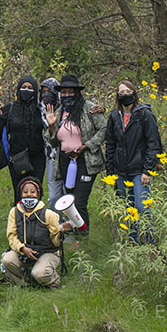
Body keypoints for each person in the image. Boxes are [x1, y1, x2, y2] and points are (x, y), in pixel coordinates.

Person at [44, 74, 107, 236]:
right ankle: (72, 234)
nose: (66, 95)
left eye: (70, 92)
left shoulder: (89, 108)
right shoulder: (58, 112)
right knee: (69, 201)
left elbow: (103, 129)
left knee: (79, 201)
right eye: (63, 92)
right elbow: (52, 141)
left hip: (85, 162)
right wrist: (51, 127)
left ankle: (83, 237)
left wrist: (86, 146)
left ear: (77, 92)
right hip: (65, 162)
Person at [104, 81, 162, 243]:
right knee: (128, 208)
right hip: (120, 170)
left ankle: (150, 241)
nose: (125, 95)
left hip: (140, 170)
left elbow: (153, 143)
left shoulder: (144, 115)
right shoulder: (115, 116)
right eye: (121, 92)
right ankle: (133, 241)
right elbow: (110, 145)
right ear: (117, 95)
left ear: (134, 93)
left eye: (128, 91)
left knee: (142, 207)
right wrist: (111, 174)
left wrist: (148, 170)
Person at [0, 178, 72, 287]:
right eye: (25, 192)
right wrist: (23, 249)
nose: (29, 195)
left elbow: (56, 243)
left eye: (33, 192)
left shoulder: (49, 215)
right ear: (20, 194)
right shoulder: (14, 212)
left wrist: (61, 233)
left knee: (39, 273)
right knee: (7, 260)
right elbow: (12, 237)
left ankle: (53, 282)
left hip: (47, 252)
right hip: (24, 250)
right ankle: (26, 283)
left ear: (38, 195)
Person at [0, 76, 46, 205]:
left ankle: (36, 223)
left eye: (30, 88)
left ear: (35, 90)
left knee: (36, 192)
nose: (26, 90)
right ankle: (18, 223)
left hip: (37, 157)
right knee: (20, 193)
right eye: (23, 87)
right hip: (17, 157)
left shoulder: (40, 109)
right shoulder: (10, 108)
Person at [40, 78, 64, 206]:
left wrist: (102, 109)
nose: (46, 94)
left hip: (67, 154)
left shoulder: (65, 107)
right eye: (43, 91)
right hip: (51, 156)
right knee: (53, 196)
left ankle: (70, 223)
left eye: (49, 91)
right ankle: (55, 222)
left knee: (67, 192)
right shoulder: (40, 109)